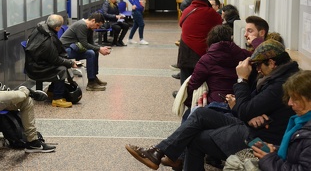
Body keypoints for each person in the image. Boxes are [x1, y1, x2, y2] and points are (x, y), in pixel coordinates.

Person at [125, 39, 299, 170]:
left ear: (272, 62)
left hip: (258, 136)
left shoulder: (279, 84)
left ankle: (162, 153)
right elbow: (248, 106)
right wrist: (247, 109)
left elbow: (244, 109)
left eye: (260, 65)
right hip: (250, 124)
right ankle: (160, 152)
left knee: (197, 139)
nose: (258, 69)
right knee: (200, 113)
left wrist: (241, 80)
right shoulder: (277, 77)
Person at [183, 25, 252, 113]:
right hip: (241, 100)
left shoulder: (206, 59)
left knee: (188, 117)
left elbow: (193, 84)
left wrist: (189, 103)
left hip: (217, 102)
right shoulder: (245, 55)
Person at [252, 70, 311, 170]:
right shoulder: (300, 122)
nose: (289, 103)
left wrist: (269, 159)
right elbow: (297, 154)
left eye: (295, 99)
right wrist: (274, 150)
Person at [25, 14, 78, 108]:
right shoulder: (48, 40)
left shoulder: (41, 28)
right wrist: (70, 63)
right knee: (61, 69)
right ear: (57, 28)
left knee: (62, 65)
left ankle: (51, 91)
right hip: (37, 68)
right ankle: (57, 99)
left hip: (34, 62)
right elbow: (55, 60)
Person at [177, 0, 222, 85]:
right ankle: (199, 95)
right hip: (202, 48)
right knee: (201, 73)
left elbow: (181, 24)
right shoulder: (210, 12)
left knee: (185, 73)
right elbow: (220, 23)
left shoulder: (187, 10)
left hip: (186, 46)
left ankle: (183, 95)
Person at [60, 12, 111, 91]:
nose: (97, 28)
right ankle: (91, 83)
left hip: (75, 47)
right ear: (93, 21)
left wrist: (100, 48)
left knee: (95, 52)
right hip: (65, 50)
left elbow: (91, 43)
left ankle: (93, 77)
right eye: (97, 25)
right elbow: (84, 44)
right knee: (90, 53)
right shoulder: (81, 25)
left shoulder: (89, 28)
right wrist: (99, 49)